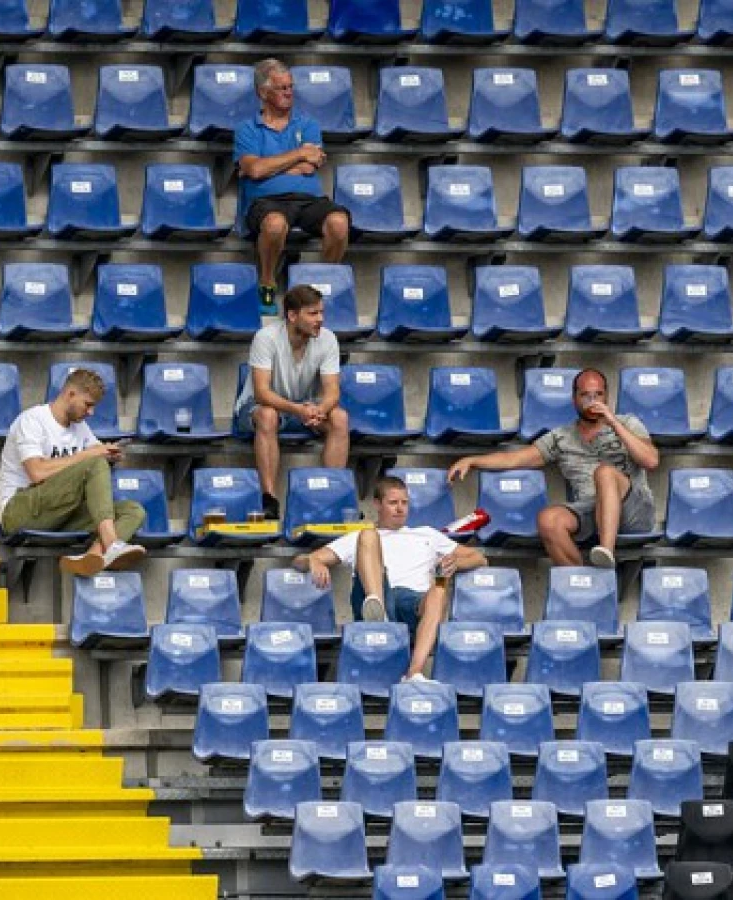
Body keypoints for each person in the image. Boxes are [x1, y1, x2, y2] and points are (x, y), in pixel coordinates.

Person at [448, 369, 658, 568]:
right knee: (549, 520)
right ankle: (584, 584)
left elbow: (651, 461)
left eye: (598, 395)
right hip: (590, 511)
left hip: (633, 510)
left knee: (604, 473)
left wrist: (612, 422)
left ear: (607, 397)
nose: (593, 401)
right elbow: (517, 458)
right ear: (574, 399)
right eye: (585, 395)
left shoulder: (628, 422)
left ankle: (606, 550)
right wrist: (473, 460)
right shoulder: (561, 437)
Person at [293, 476, 487, 682]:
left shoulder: (427, 535)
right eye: (393, 503)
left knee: (440, 587)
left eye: (404, 503)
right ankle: (379, 614)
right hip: (377, 595)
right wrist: (313, 560)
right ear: (377, 504)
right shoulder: (359, 537)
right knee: (368, 535)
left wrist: (456, 563)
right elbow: (298, 561)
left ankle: (414, 673)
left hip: (415, 602)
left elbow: (480, 558)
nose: (400, 509)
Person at [0, 368, 146, 576]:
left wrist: (108, 454)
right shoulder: (32, 420)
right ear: (70, 394)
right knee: (93, 463)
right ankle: (111, 544)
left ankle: (93, 557)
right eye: (88, 404)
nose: (91, 412)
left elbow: (95, 459)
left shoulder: (80, 428)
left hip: (60, 513)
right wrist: (91, 455)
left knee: (133, 510)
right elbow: (37, 472)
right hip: (19, 509)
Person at [234, 58, 351, 316]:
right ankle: (267, 283)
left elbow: (309, 166)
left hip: (308, 199)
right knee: (274, 224)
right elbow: (254, 170)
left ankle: (317, 292)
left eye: (290, 87)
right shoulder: (247, 129)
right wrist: (298, 154)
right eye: (281, 88)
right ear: (263, 93)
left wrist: (268, 166)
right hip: (266, 202)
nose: (289, 92)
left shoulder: (307, 124)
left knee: (339, 223)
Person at [235, 284, 349, 518]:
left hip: (303, 407)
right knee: (268, 415)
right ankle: (269, 499)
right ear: (292, 315)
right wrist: (297, 410)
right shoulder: (265, 337)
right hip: (258, 408)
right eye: (313, 313)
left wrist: (320, 410)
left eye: (321, 312)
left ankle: (332, 499)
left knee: (339, 417)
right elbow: (261, 393)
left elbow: (332, 391)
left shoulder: (328, 339)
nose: (321, 319)